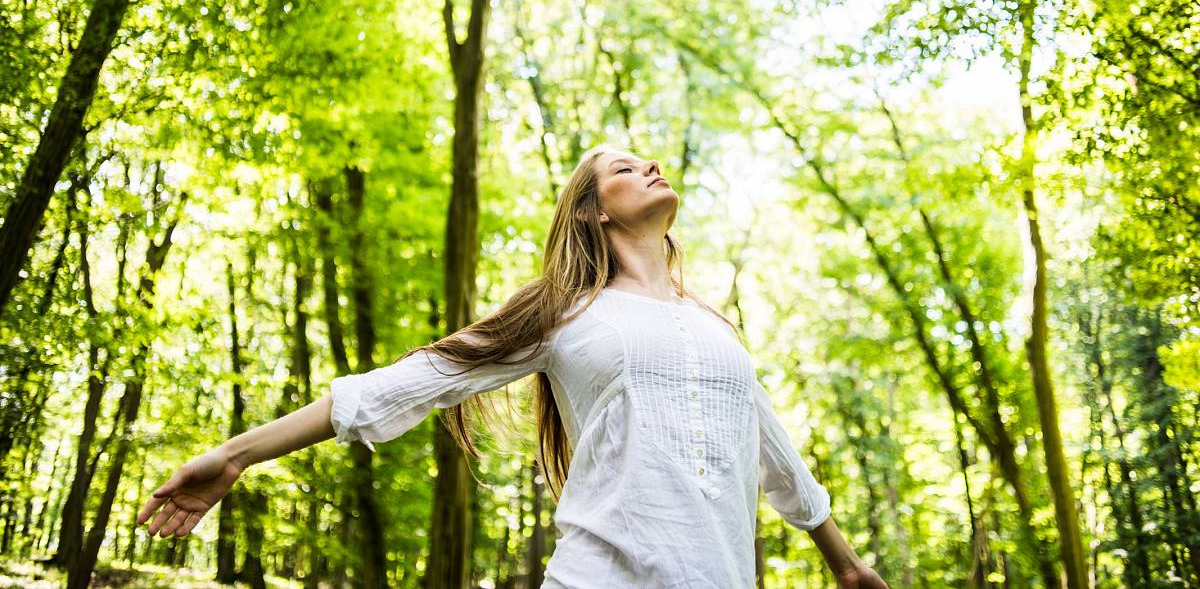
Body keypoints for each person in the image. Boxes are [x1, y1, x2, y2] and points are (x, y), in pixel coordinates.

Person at [138, 144, 888, 588]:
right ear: (594, 211)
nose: (651, 164)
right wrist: (236, 455)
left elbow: (776, 457)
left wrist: (846, 565)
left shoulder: (715, 330)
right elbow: (413, 380)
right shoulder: (563, 310)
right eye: (625, 168)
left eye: (647, 158)